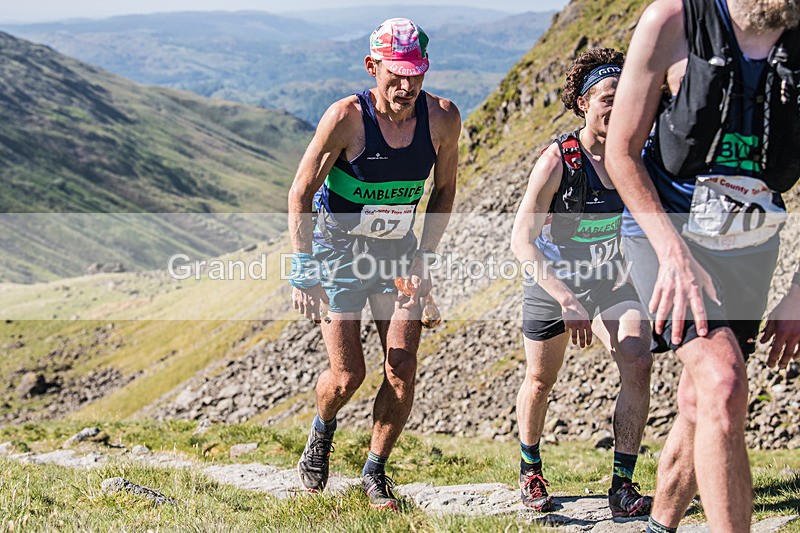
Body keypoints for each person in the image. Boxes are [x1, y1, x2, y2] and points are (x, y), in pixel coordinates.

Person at [606, 0, 800, 531]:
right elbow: (620, 152)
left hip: (750, 246)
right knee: (724, 382)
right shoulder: (672, 21)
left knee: (701, 401)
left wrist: (798, 291)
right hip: (664, 235)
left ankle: (659, 526)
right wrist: (671, 253)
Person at [287, 17, 461, 511]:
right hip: (339, 254)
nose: (406, 86)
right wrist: (303, 267)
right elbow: (300, 190)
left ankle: (375, 471)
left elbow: (445, 190)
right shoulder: (347, 117)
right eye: (396, 74)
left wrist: (426, 257)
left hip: (397, 257)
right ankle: (322, 433)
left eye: (417, 73)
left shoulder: (444, 118)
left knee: (402, 367)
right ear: (372, 67)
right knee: (348, 376)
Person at [510, 48, 654, 517]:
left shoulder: (637, 154)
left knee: (637, 358)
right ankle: (530, 470)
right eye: (607, 98)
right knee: (540, 378)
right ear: (583, 105)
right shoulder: (558, 160)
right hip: (553, 284)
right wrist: (567, 299)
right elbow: (521, 243)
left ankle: (622, 486)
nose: (617, 106)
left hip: (609, 281)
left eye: (625, 96)